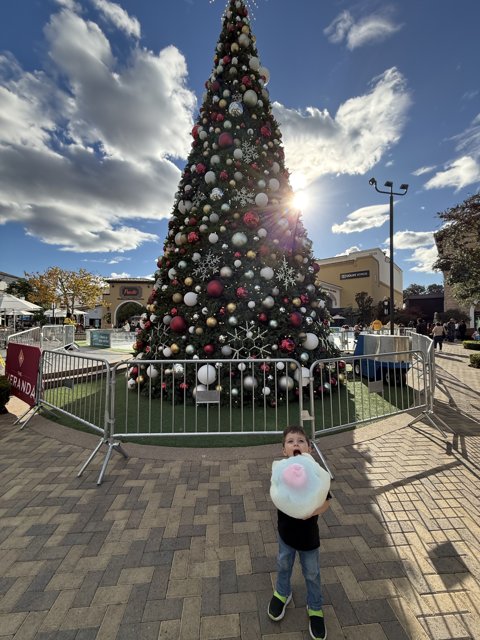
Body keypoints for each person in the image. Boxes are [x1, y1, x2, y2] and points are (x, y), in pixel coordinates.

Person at [268, 426, 331, 640]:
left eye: (301, 441)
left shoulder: (315, 472)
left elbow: (327, 502)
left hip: (309, 538)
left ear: (310, 449)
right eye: (290, 441)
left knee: (312, 573)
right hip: (286, 534)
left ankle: (314, 607)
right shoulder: (282, 471)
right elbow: (276, 493)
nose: (296, 444)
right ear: (283, 450)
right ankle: (281, 593)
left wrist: (313, 510)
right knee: (283, 564)